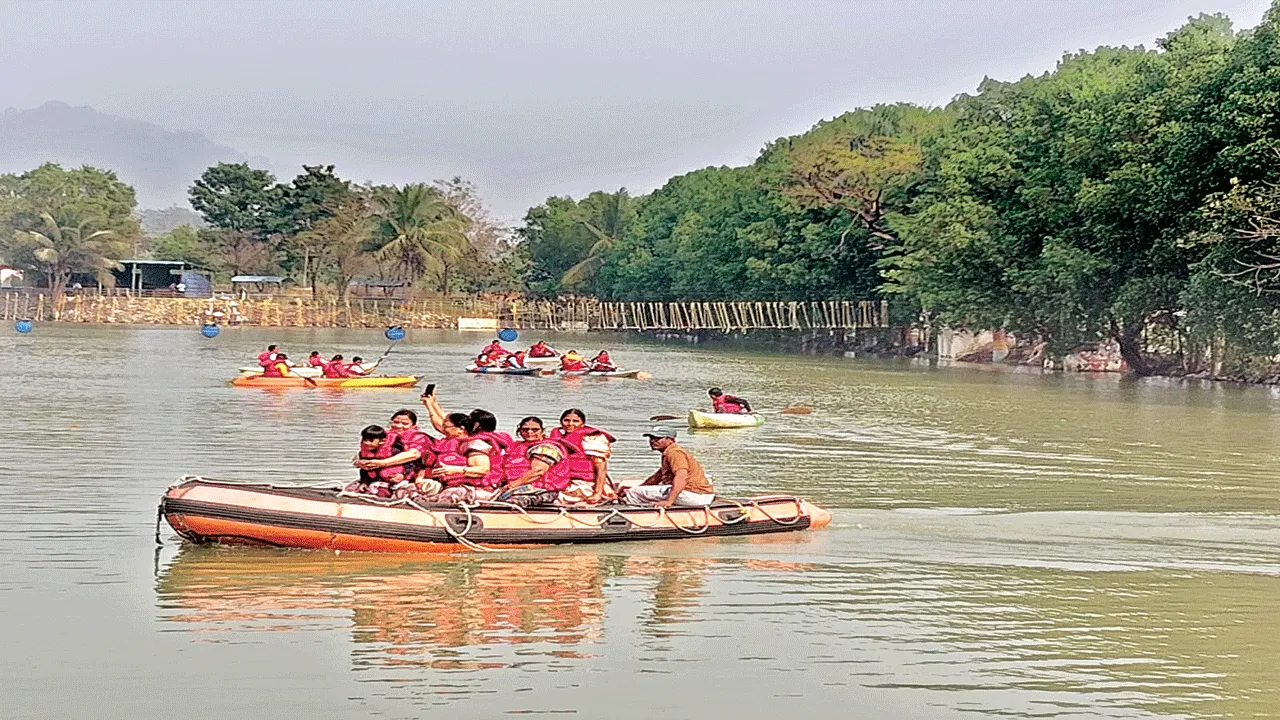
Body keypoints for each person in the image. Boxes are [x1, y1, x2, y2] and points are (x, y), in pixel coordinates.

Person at [421, 391, 505, 504]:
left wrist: (454, 469)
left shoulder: (476, 442)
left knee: (449, 495)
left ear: (476, 425)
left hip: (481, 486)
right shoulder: (465, 437)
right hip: (453, 482)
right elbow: (445, 422)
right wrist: (431, 404)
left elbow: (483, 469)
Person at [624, 427, 716, 508]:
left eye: (658, 438)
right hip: (696, 494)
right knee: (636, 489)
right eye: (651, 438)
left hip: (693, 494)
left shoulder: (674, 453)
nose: (653, 441)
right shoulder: (669, 453)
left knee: (633, 493)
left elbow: (681, 476)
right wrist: (640, 487)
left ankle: (639, 518)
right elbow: (656, 477)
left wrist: (669, 501)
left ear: (670, 440)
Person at [496, 416, 573, 507]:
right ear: (519, 431)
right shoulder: (517, 447)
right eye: (525, 429)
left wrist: (511, 486)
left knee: (508, 502)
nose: (530, 432)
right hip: (520, 488)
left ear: (542, 431)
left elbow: (538, 471)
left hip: (543, 491)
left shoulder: (548, 448)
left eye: (535, 429)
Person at [550, 408, 616, 504]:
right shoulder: (557, 438)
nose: (570, 424)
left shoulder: (592, 439)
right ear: (561, 422)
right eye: (566, 420)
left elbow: (601, 469)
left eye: (575, 421)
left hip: (585, 484)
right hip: (561, 481)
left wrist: (597, 493)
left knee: (556, 498)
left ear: (582, 423)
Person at [344, 425, 403, 498]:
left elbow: (409, 465)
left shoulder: (394, 451)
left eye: (371, 440)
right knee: (351, 490)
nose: (366, 443)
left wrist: (403, 475)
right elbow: (364, 470)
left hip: (391, 482)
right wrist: (364, 482)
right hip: (373, 480)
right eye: (364, 440)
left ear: (382, 441)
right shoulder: (363, 454)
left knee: (381, 493)